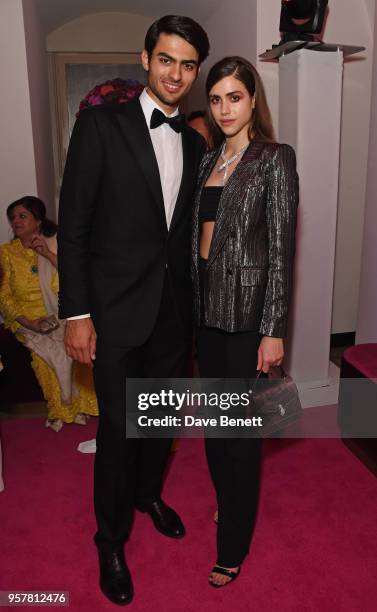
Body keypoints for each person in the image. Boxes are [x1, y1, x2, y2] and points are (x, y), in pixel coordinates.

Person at [58, 15, 209, 606]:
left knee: (161, 426)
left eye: (188, 64)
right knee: (120, 433)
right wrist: (76, 313)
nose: (176, 74)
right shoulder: (100, 125)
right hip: (115, 315)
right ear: (145, 58)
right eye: (166, 59)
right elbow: (73, 227)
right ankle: (110, 538)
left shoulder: (196, 143)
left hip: (174, 315)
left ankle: (149, 495)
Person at [192, 56, 299, 587]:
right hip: (206, 314)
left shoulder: (273, 158)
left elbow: (281, 249)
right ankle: (229, 503)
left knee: (239, 435)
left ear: (254, 100)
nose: (224, 108)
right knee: (215, 428)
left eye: (234, 96)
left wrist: (273, 327)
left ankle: (232, 543)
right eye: (216, 99)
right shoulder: (209, 159)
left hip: (248, 317)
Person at [0, 197, 98, 432]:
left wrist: (46, 254)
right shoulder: (6, 253)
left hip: (61, 313)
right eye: (13, 217)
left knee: (77, 348)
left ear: (39, 220)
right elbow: (4, 297)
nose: (16, 221)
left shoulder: (55, 244)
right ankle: (60, 410)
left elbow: (74, 278)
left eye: (22, 216)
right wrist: (29, 322)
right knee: (46, 358)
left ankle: (83, 407)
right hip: (27, 320)